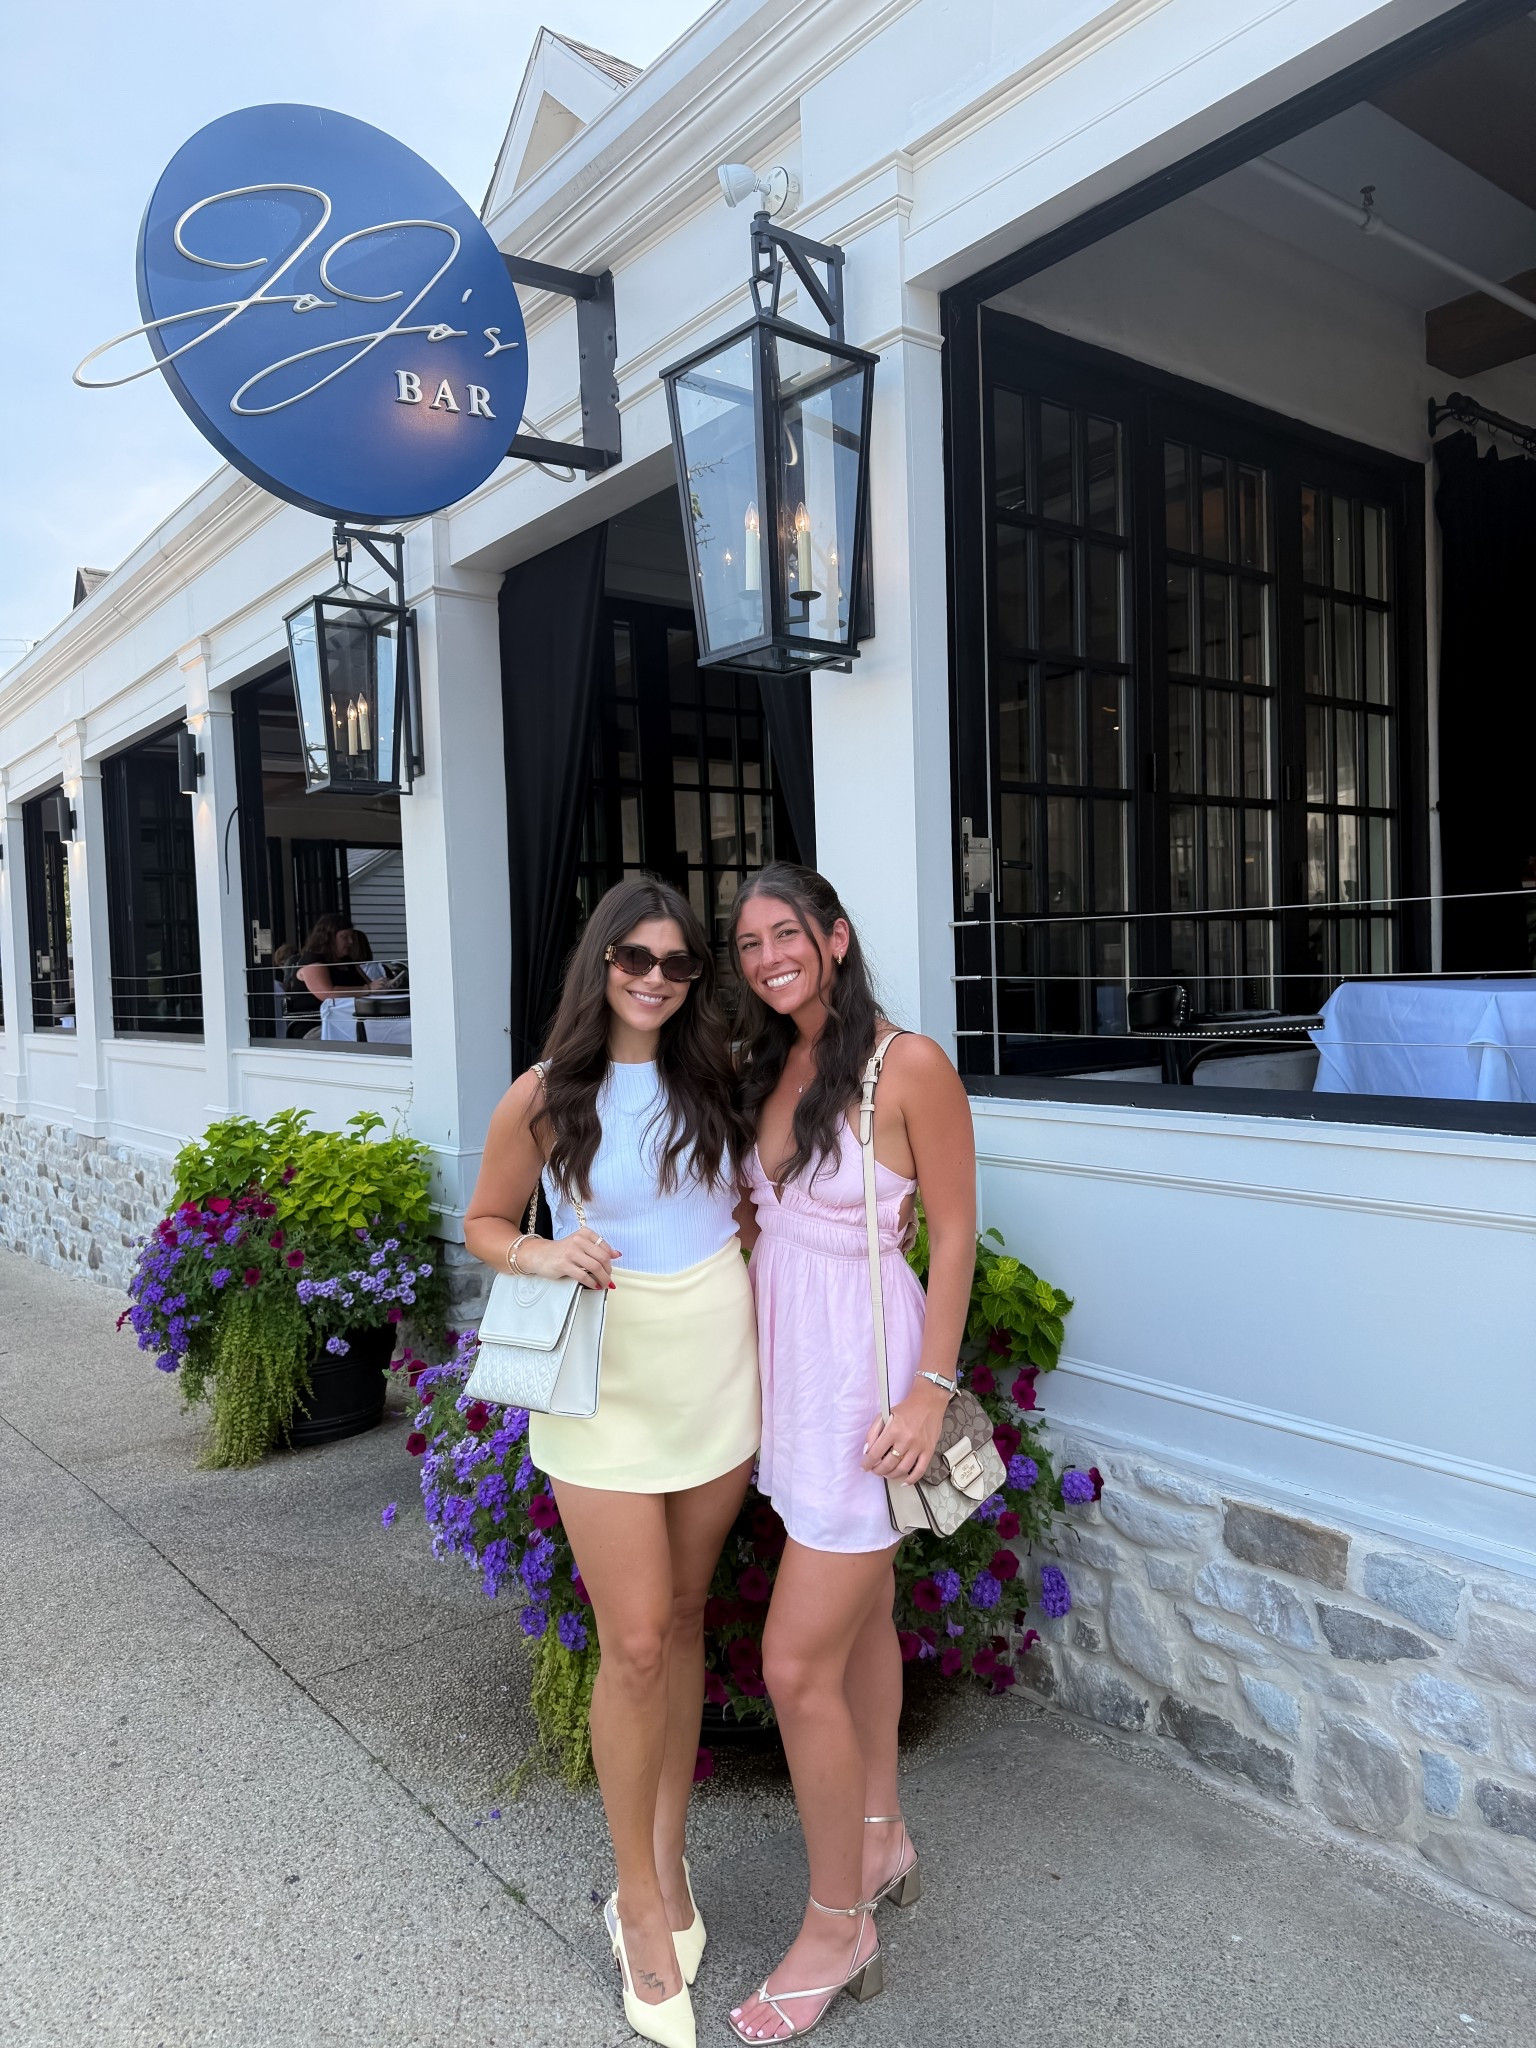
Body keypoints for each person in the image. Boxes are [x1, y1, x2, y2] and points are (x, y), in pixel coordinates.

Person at [464, 876, 759, 2048]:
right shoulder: (546, 1092)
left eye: (678, 961)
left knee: (683, 1619)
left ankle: (669, 1863)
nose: (655, 977)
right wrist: (542, 1250)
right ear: (600, 962)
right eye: (634, 956)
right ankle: (635, 1899)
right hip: (603, 1381)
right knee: (634, 1639)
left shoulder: (720, 1073)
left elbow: (755, 1206)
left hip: (715, 1367)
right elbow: (485, 1222)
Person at [725, 863, 976, 2044]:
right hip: (794, 1372)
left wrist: (931, 1391)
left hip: (868, 1386)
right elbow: (756, 1216)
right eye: (748, 942)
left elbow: (956, 1229)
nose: (768, 955)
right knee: (863, 1618)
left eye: (786, 932)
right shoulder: (771, 1060)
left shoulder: (906, 1063)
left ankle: (838, 1925)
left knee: (794, 1662)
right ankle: (880, 1834)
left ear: (834, 937)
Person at [287, 912, 369, 1040]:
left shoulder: (347, 961)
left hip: (349, 1020)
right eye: (345, 937)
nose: (350, 941)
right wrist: (366, 989)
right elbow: (327, 993)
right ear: (328, 938)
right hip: (317, 1025)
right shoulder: (312, 961)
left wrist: (382, 986)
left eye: (351, 937)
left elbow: (368, 984)